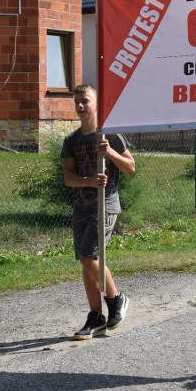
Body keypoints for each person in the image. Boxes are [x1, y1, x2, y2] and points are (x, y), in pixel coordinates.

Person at [61, 83, 136, 340]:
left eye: (85, 101)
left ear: (96, 104)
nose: (80, 106)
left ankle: (116, 299)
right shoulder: (72, 141)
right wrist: (89, 181)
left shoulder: (110, 135)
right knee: (86, 264)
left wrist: (111, 152)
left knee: (87, 255)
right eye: (77, 102)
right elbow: (68, 178)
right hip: (81, 207)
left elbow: (130, 168)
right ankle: (96, 317)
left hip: (105, 204)